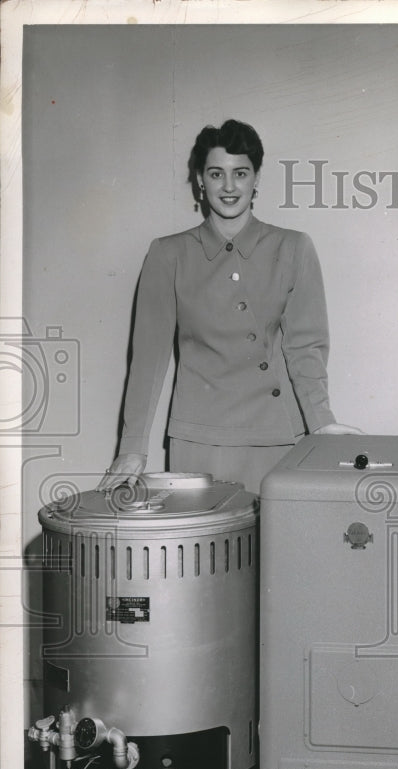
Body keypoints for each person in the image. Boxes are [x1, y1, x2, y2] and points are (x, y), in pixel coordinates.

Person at [98, 119, 360, 495]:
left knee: (277, 551)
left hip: (277, 436)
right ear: (200, 181)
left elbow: (305, 348)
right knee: (204, 553)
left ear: (256, 179)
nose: (229, 186)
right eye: (216, 173)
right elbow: (148, 361)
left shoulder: (293, 248)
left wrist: (320, 421)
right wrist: (132, 449)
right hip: (199, 442)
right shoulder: (168, 254)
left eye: (241, 173)